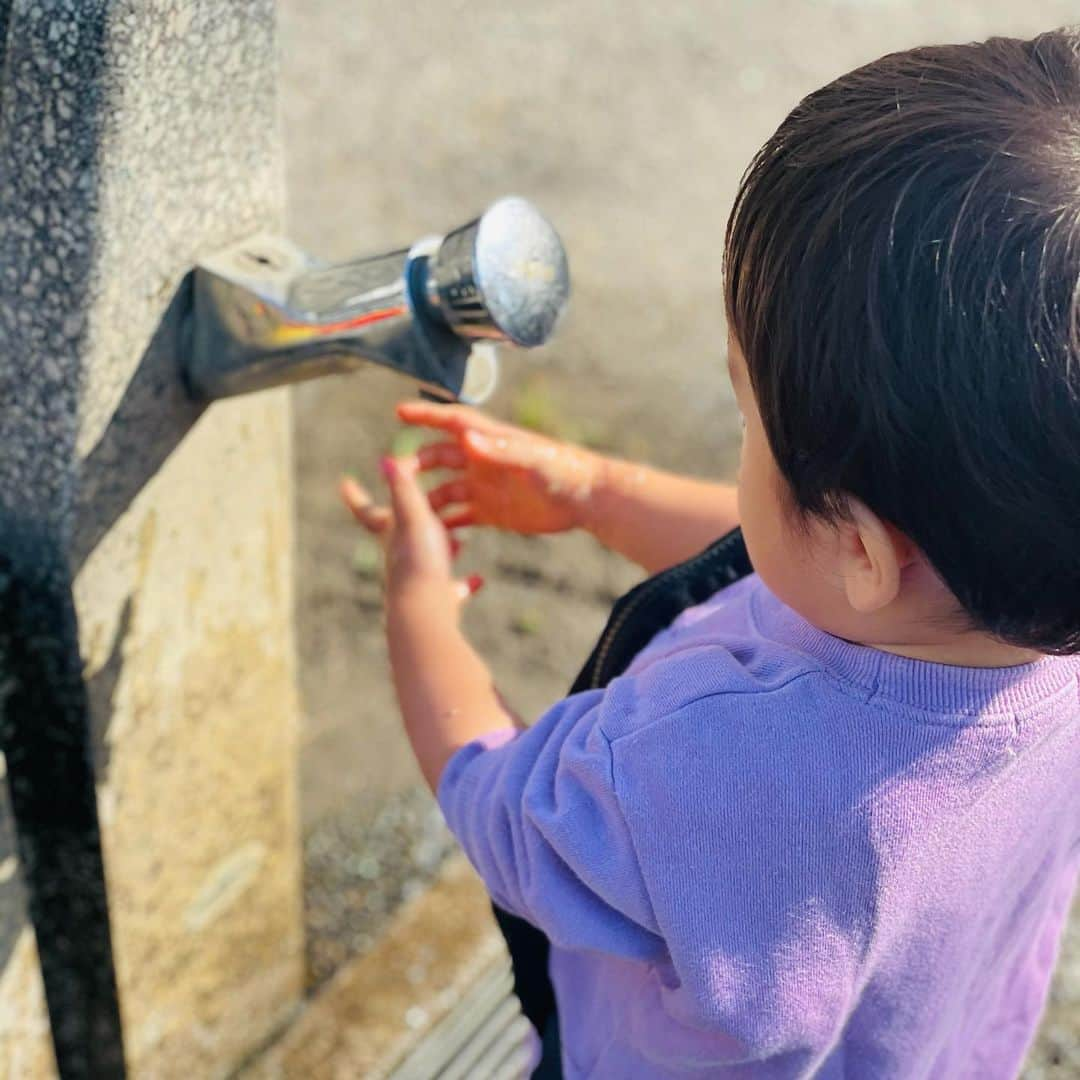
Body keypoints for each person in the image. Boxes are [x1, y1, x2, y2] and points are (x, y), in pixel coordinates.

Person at [340, 26, 1080, 1079]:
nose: (743, 450)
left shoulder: (701, 763)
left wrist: (417, 607)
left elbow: (501, 804)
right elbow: (803, 570)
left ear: (869, 548)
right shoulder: (1034, 616)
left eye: (750, 423)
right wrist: (598, 494)